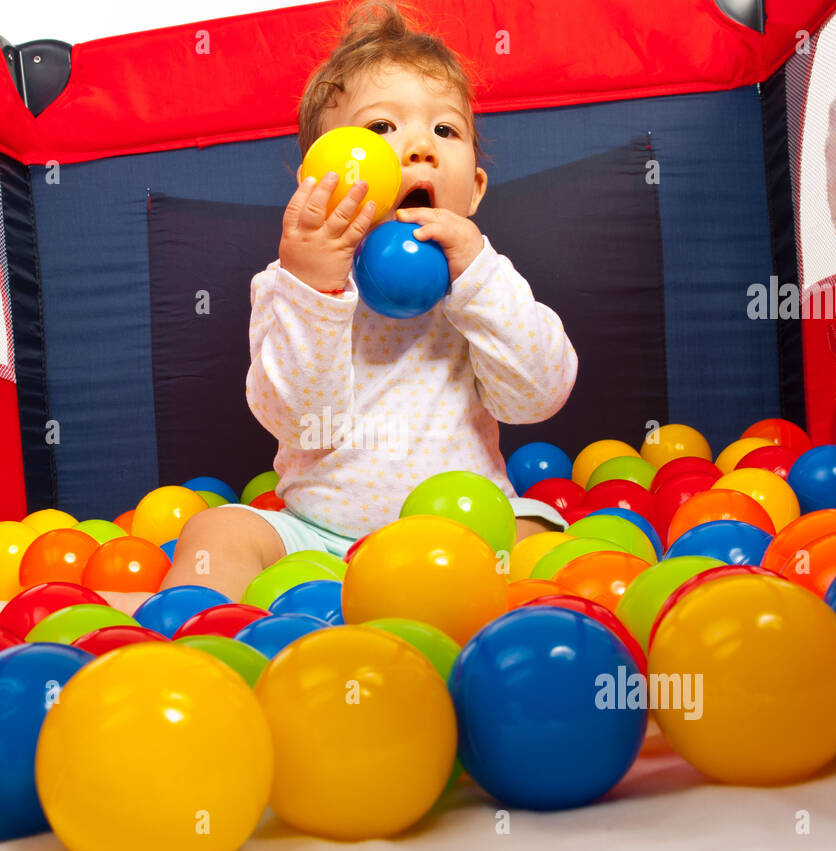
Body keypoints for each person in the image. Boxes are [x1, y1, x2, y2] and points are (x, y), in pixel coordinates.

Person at [153, 0, 577, 604]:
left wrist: (480, 274)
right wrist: (315, 288)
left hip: (464, 534)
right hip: (322, 544)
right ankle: (189, 637)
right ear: (317, 178)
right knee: (217, 528)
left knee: (537, 532)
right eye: (381, 128)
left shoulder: (484, 287)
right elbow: (295, 418)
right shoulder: (289, 285)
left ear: (475, 190)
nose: (420, 148)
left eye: (445, 130)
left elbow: (540, 395)